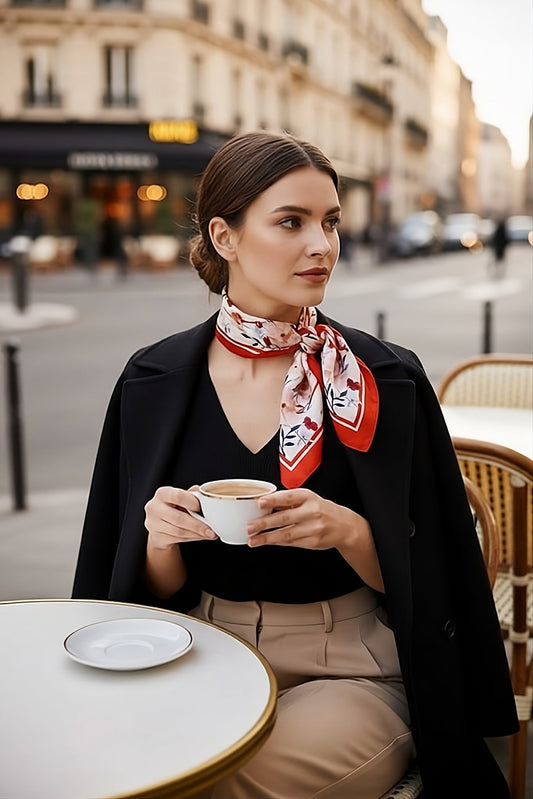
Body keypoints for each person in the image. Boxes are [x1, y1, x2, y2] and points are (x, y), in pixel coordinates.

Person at [72, 131, 518, 799]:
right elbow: (141, 589)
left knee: (220, 783)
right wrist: (159, 537)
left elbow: (433, 571)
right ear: (224, 237)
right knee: (110, 766)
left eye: (330, 221)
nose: (324, 244)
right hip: (196, 648)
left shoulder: (382, 379)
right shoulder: (154, 378)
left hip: (351, 667)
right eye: (292, 221)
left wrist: (344, 529)